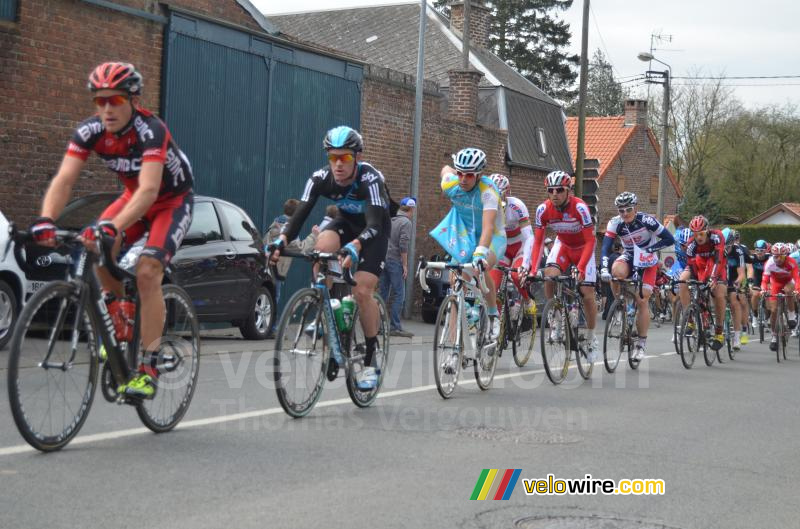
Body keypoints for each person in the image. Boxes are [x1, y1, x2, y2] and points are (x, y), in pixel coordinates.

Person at [30, 62, 194, 399]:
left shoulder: (151, 130)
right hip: (132, 198)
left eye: (115, 100)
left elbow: (149, 190)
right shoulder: (90, 132)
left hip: (169, 203)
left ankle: (149, 365)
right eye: (99, 101)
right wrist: (46, 218)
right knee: (95, 247)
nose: (106, 109)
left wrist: (110, 226)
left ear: (133, 100)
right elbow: (65, 179)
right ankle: (119, 314)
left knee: (148, 272)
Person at [270, 126, 390, 390]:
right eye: (332, 157)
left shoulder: (370, 179)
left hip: (373, 230)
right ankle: (326, 307)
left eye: (345, 158)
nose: (337, 164)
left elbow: (374, 223)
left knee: (361, 289)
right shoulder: (320, 178)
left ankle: (371, 356)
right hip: (346, 223)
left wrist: (356, 246)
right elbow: (300, 213)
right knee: (321, 248)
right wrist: (281, 241)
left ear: (356, 157)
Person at [438, 147, 506, 347]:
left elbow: (487, 229)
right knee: (455, 283)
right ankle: (452, 348)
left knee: (480, 268)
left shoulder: (488, 192)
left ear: (479, 175)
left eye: (469, 175)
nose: (463, 179)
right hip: (466, 237)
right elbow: (444, 170)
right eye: (460, 173)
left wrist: (480, 253)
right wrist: (448, 170)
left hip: (493, 237)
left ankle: (493, 315)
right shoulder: (452, 184)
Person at [528, 170, 599, 361]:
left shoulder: (580, 207)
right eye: (551, 190)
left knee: (587, 293)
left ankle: (592, 338)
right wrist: (534, 269)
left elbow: (590, 241)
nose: (555, 194)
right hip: (564, 246)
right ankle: (555, 315)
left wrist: (581, 267)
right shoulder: (543, 210)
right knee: (549, 275)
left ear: (569, 191)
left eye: (560, 190)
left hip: (584, 247)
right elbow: (538, 242)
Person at [600, 192, 675, 360]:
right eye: (621, 210)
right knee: (615, 272)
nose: (625, 213)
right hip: (630, 256)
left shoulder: (647, 220)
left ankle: (641, 344)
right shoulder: (615, 223)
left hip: (648, 259)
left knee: (642, 300)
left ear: (636, 208)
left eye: (628, 209)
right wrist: (604, 269)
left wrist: (649, 250)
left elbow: (669, 239)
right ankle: (621, 305)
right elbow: (605, 248)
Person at [488, 174, 536, 316]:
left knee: (517, 276)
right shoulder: (485, 207)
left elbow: (529, 237)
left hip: (519, 245)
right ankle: (495, 324)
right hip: (501, 247)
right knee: (492, 287)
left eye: (498, 195)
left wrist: (525, 264)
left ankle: (527, 300)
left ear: (507, 193)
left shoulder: (516, 206)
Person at [678, 215, 727, 351]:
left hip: (717, 263)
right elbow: (692, 266)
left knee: (718, 293)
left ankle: (719, 332)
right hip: (699, 264)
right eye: (695, 234)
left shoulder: (717, 237)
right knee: (682, 280)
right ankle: (690, 319)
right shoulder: (691, 244)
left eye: (701, 234)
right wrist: (697, 283)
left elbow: (718, 259)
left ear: (707, 230)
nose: (698, 237)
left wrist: (713, 278)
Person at [379, 197, 416, 337]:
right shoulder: (406, 222)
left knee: (383, 294)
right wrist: (405, 264)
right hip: (395, 261)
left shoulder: (391, 220)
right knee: (399, 294)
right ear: (411, 209)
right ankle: (395, 326)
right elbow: (403, 245)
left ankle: (377, 326)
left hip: (384, 259)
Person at [761, 242, 800, 351]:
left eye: (781, 256)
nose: (778, 259)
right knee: (773, 310)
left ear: (785, 256)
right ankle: (774, 336)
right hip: (776, 284)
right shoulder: (769, 263)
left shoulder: (791, 262)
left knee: (789, 291)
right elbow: (764, 280)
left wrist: (797, 290)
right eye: (775, 256)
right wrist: (763, 289)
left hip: (788, 281)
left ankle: (792, 316)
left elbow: (797, 278)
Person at [722, 227, 747, 349]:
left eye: (727, 246)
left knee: (734, 302)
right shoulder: (717, 248)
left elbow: (742, 274)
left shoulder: (738, 251)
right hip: (720, 278)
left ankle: (737, 336)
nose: (725, 248)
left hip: (734, 278)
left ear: (732, 243)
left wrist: (737, 283)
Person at [748, 239, 771, 329]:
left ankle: (768, 317)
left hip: (768, 278)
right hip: (757, 278)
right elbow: (750, 270)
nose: (759, 253)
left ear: (765, 251)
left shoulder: (770, 257)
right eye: (757, 250)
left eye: (761, 251)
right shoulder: (752, 258)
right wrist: (750, 282)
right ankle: (754, 315)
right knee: (755, 294)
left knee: (769, 296)